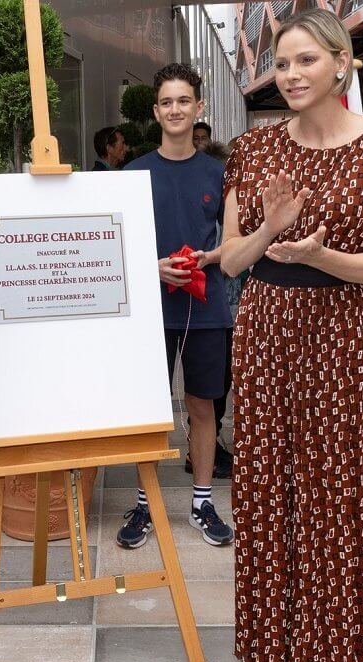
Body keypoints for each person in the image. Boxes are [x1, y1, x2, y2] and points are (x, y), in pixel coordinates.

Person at [221, 8, 363, 662]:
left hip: (337, 332)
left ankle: (327, 659)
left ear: (341, 63)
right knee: (269, 488)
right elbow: (234, 259)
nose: (291, 74)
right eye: (282, 62)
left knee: (334, 494)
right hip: (264, 327)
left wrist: (319, 256)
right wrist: (272, 228)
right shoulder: (253, 147)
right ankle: (272, 646)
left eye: (306, 60)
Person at [118, 63, 234, 550]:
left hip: (207, 310)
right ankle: (145, 505)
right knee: (150, 410)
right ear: (155, 111)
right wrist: (152, 266)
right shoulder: (133, 173)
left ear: (198, 107)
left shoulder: (220, 173)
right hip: (150, 310)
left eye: (183, 101)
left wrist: (214, 256)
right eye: (167, 102)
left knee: (202, 405)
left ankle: (202, 501)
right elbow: (116, 249)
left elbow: (235, 243)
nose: (175, 109)